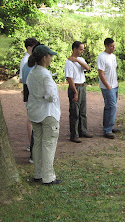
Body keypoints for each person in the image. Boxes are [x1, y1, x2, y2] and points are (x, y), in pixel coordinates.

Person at [26, 45, 61, 185]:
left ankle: (38, 173)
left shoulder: (32, 72)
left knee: (38, 144)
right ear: (44, 58)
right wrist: (47, 97)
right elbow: (51, 96)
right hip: (48, 114)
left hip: (35, 113)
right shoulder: (45, 74)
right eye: (50, 56)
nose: (51, 58)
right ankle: (48, 177)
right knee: (48, 144)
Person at [65, 41, 93, 143]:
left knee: (82, 111)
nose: (82, 51)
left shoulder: (80, 60)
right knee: (74, 112)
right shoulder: (68, 62)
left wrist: (77, 60)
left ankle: (83, 131)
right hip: (75, 87)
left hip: (82, 86)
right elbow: (69, 78)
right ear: (75, 49)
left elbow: (87, 68)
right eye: (80, 49)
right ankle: (74, 134)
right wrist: (75, 92)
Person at [20, 38, 40, 162]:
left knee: (32, 119)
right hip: (31, 95)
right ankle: (31, 145)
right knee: (31, 120)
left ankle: (32, 146)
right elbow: (23, 80)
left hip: (31, 95)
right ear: (29, 47)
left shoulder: (31, 60)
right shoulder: (26, 61)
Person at [97, 38, 120, 139]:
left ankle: (109, 126)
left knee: (110, 107)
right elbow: (101, 74)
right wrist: (108, 86)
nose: (113, 48)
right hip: (107, 86)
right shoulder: (101, 57)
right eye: (111, 46)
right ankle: (107, 130)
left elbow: (113, 70)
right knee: (112, 106)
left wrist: (116, 83)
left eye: (114, 46)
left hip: (114, 85)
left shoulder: (113, 56)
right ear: (106, 46)